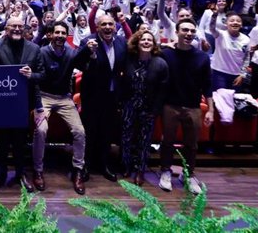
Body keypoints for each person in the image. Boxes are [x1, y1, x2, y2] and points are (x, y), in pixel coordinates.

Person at [0, 16, 44, 193]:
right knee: (1, 140)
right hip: (2, 100)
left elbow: (42, 74)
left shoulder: (34, 48)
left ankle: (20, 174)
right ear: (6, 29)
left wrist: (31, 75)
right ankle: (0, 174)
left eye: (20, 26)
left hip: (23, 102)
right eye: (13, 27)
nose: (17, 29)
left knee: (20, 141)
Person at [159, 18, 214, 195]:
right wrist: (165, 44)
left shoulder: (202, 57)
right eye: (185, 30)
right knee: (167, 141)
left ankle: (188, 175)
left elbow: (207, 85)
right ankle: (165, 171)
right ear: (177, 32)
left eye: (192, 31)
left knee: (191, 144)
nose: (189, 33)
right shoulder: (165, 53)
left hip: (193, 106)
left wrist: (210, 110)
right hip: (170, 105)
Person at [32, 21, 87, 195]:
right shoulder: (41, 52)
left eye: (63, 33)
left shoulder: (72, 53)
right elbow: (35, 78)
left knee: (80, 131)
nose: (60, 36)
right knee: (41, 130)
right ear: (51, 34)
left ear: (66, 35)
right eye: (57, 32)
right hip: (44, 96)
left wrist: (89, 53)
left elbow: (85, 65)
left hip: (65, 98)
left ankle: (78, 169)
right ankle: (38, 169)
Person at [75, 14, 127, 182]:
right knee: (89, 131)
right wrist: (86, 52)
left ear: (115, 26)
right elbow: (77, 63)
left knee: (106, 131)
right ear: (97, 27)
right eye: (103, 24)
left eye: (110, 24)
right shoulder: (88, 41)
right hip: (92, 95)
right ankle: (86, 165)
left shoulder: (121, 42)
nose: (107, 27)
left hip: (112, 96)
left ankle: (104, 164)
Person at [120, 30, 168, 186]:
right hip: (129, 104)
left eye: (149, 40)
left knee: (144, 140)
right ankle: (126, 165)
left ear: (154, 45)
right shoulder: (128, 59)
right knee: (126, 137)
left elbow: (162, 91)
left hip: (148, 107)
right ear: (137, 42)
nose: (146, 42)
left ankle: (140, 170)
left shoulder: (160, 63)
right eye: (143, 39)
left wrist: (155, 111)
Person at [208, 11, 250, 91]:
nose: (235, 22)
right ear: (226, 24)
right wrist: (214, 15)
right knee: (220, 99)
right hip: (219, 73)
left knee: (234, 99)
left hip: (236, 75)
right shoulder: (220, 35)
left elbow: (246, 58)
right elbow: (211, 27)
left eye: (238, 21)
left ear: (241, 25)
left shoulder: (246, 39)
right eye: (231, 21)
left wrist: (242, 75)